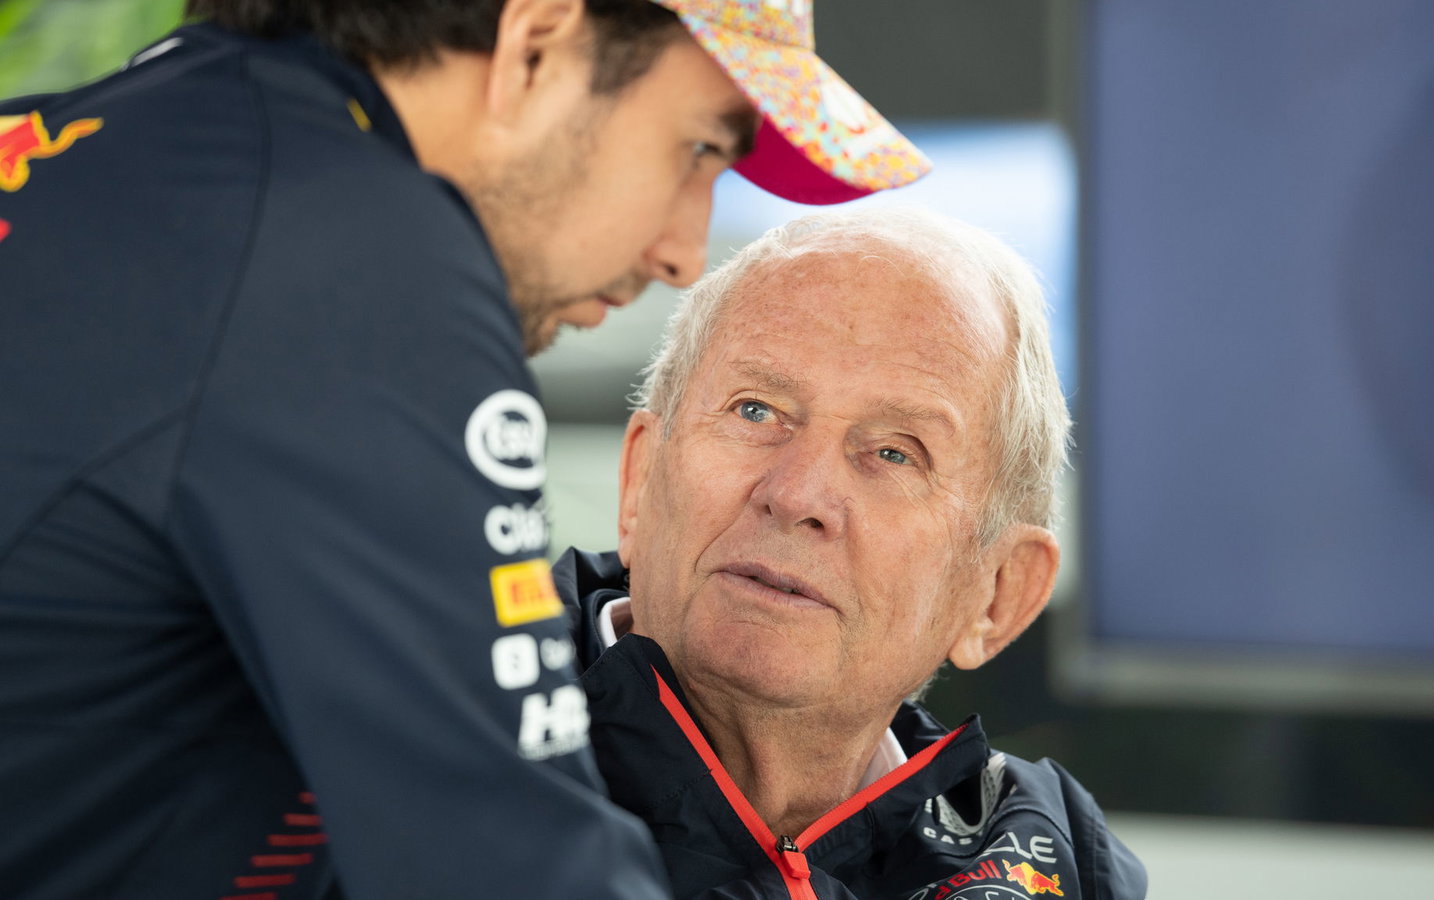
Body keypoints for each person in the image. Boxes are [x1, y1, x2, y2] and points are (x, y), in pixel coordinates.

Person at [0, 1, 926, 898]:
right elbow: (515, 864)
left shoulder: (113, 156)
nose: (685, 252)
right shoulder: (348, 259)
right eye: (699, 148)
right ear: (536, 44)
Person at [553, 208, 1148, 899]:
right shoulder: (445, 742)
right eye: (756, 410)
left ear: (997, 593)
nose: (798, 494)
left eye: (895, 453)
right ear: (640, 481)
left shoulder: (1051, 859)